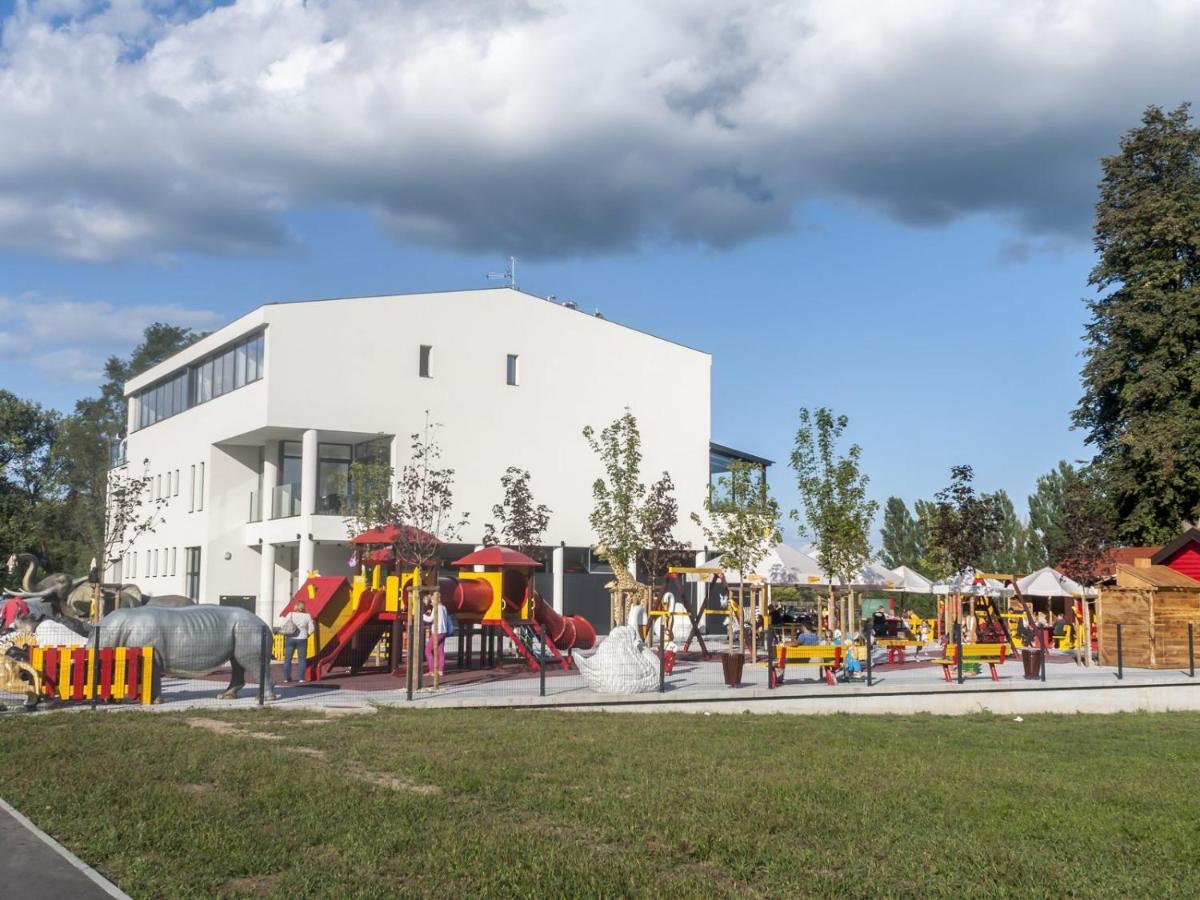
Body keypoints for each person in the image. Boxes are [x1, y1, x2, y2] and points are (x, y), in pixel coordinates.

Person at [277, 599, 314, 684]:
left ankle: (287, 678)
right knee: (302, 659)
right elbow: (312, 628)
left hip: (290, 638)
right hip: (302, 639)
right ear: (303, 607)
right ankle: (301, 678)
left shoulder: (290, 614)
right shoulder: (307, 616)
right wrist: (307, 634)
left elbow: (282, 625)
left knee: (287, 659)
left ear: (296, 606)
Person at [423, 598, 454, 676]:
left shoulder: (436, 608)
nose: (431, 602)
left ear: (436, 600)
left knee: (428, 651)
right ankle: (440, 670)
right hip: (443, 632)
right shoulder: (444, 607)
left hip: (437, 632)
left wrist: (421, 615)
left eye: (432, 600)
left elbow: (430, 619)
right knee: (440, 652)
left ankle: (432, 670)